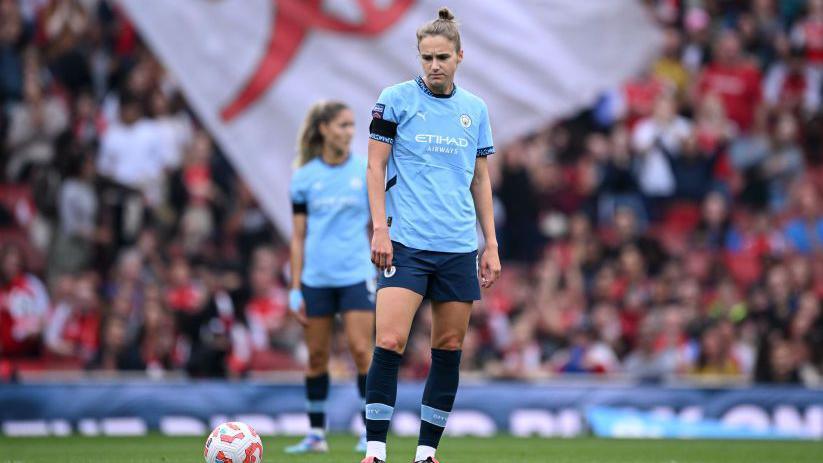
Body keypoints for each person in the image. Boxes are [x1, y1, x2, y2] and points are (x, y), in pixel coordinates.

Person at [363, 8, 501, 463]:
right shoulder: (395, 100)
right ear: (419, 58)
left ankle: (426, 454)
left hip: (458, 246)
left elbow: (481, 180)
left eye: (442, 56)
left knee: (449, 347)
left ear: (460, 56)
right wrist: (380, 228)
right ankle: (376, 451)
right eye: (426, 57)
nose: (434, 65)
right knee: (388, 342)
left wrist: (491, 244)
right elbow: (375, 166)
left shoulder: (475, 110)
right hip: (406, 243)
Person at [285, 100, 375, 454]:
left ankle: (371, 431)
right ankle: (316, 435)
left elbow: (378, 221)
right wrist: (295, 288)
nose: (349, 133)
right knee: (317, 357)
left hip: (355, 274)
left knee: (361, 351)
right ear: (323, 129)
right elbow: (297, 236)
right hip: (317, 278)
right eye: (342, 125)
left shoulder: (364, 170)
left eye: (352, 126)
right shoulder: (304, 178)